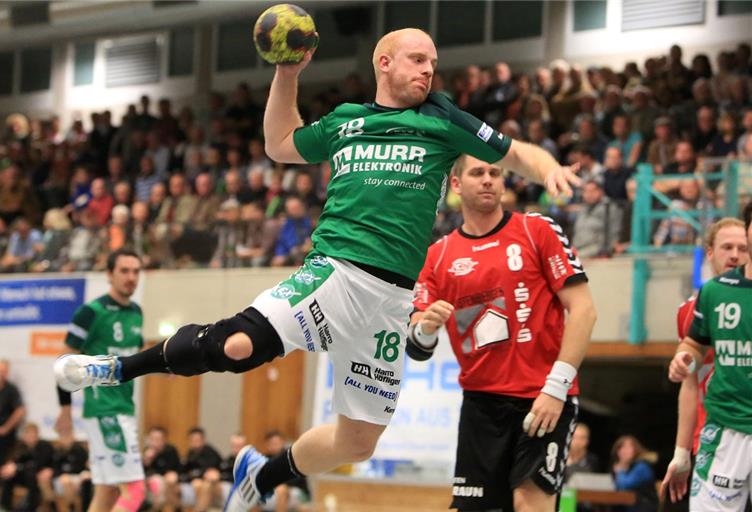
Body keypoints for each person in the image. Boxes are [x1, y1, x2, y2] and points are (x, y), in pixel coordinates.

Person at [54, 28, 579, 512]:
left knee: (357, 442)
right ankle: (119, 367)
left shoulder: (441, 122)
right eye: (418, 60)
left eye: (433, 63)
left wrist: (549, 167)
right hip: (338, 272)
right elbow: (279, 144)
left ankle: (260, 477)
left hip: (391, 302)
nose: (428, 71)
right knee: (238, 347)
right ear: (385, 62)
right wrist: (287, 74)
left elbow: (516, 152)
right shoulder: (347, 120)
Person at [409, 154, 595, 511]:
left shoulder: (536, 229)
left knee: (529, 504)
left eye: (495, 173)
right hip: (482, 402)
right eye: (478, 173)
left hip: (543, 396)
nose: (488, 180)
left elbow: (585, 311)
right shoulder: (437, 256)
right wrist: (428, 328)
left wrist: (555, 389)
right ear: (457, 184)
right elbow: (417, 347)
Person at [668, 205, 752, 511]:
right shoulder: (696, 307)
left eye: (742, 248)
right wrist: (681, 453)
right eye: (726, 247)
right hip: (714, 435)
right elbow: (689, 385)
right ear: (710, 253)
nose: (734, 255)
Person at [54, 248, 146, 512]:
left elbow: (136, 358)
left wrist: (168, 366)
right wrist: (65, 409)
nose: (131, 277)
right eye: (124, 271)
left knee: (107, 492)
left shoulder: (136, 312)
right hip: (106, 410)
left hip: (124, 408)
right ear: (109, 274)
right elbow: (65, 364)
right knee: (136, 489)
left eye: (136, 271)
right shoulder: (90, 312)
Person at [0, 359, 26, 510]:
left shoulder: (11, 390)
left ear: (7, 371)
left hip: (1, 438)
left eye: (4, 370)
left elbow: (20, 410)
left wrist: (5, 428)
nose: (1, 373)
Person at [610, 435, 658, 512]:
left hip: (643, 507)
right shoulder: (626, 467)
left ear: (636, 449)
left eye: (628, 448)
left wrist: (620, 471)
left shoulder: (642, 466)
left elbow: (625, 486)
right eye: (620, 448)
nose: (623, 451)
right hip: (628, 505)